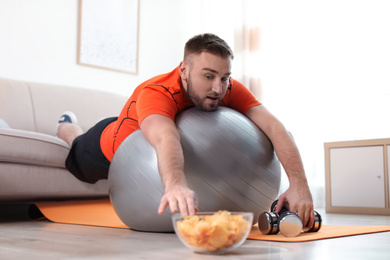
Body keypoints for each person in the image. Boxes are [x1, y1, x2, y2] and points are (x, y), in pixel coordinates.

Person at [57, 33, 315, 228]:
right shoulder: (158, 93)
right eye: (208, 75)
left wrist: (300, 186)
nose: (218, 88)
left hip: (141, 125)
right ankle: (66, 125)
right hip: (112, 145)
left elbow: (275, 128)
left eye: (225, 77)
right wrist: (176, 185)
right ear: (184, 70)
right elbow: (166, 137)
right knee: (77, 145)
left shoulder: (227, 87)